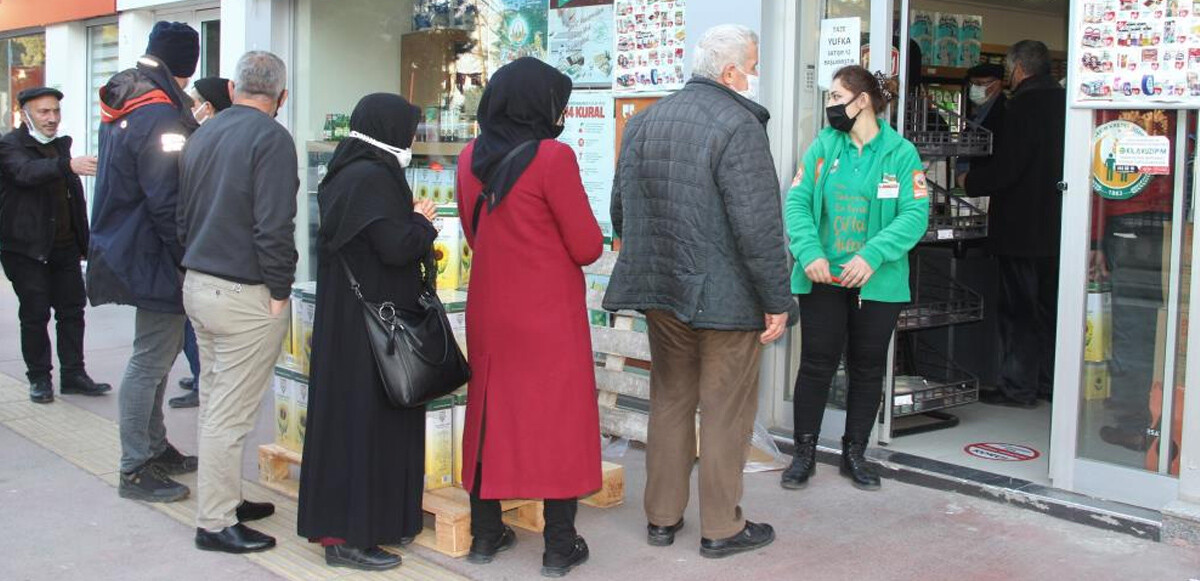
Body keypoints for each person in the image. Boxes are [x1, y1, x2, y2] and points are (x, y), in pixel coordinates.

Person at [602, 25, 796, 559]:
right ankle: (722, 527)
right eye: (753, 65)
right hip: (726, 299)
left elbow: (621, 209)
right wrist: (777, 300)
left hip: (662, 288)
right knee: (724, 412)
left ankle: (661, 519)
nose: (756, 74)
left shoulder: (645, 122)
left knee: (668, 401)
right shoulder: (738, 125)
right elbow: (757, 226)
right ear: (732, 72)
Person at [456, 57, 603, 578]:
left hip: (490, 306)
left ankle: (483, 534)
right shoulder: (553, 157)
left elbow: (476, 237)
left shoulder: (470, 156)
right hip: (548, 311)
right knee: (558, 418)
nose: (562, 113)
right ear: (541, 107)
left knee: (489, 412)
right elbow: (587, 246)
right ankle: (559, 547)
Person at [296, 93, 437, 572]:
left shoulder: (347, 171)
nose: (413, 142)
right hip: (372, 327)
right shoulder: (373, 178)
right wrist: (422, 223)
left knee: (356, 422)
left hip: (351, 322)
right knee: (363, 425)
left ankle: (372, 523)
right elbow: (394, 247)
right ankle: (349, 536)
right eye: (410, 132)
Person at [781, 65, 929, 492]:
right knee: (816, 365)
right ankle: (803, 453)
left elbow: (914, 214)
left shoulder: (900, 153)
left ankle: (855, 453)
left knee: (866, 370)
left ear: (861, 101)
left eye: (835, 97)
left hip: (877, 284)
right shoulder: (824, 147)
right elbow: (798, 203)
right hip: (823, 278)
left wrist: (873, 254)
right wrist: (809, 253)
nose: (830, 106)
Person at [177, 51, 297, 555]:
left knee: (216, 400)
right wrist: (281, 290)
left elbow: (181, 210)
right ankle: (215, 521)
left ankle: (223, 497)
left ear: (231, 87)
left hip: (199, 281)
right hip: (243, 291)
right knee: (231, 411)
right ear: (282, 97)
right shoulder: (272, 138)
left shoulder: (205, 131)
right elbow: (274, 226)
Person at [88, 21, 201, 503]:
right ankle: (136, 465)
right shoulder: (158, 114)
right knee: (150, 358)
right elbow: (165, 195)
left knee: (158, 352)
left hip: (129, 244)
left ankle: (155, 446)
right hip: (154, 251)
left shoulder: (127, 100)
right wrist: (186, 255)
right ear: (183, 67)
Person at [962, 40, 1066, 408]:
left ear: (1018, 69)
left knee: (1019, 310)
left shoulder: (1021, 107)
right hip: (1059, 229)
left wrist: (970, 182)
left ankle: (1017, 386)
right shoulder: (1067, 104)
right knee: (1049, 309)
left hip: (1021, 228)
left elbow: (1009, 168)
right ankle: (1049, 382)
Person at [0, 87, 110, 403]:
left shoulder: (61, 146)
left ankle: (74, 374)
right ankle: (39, 379)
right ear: (26, 115)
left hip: (63, 248)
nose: (51, 119)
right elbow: (25, 173)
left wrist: (83, 242)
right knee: (35, 315)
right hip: (26, 249)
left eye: (55, 112)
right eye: (43, 112)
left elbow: (73, 199)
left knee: (72, 312)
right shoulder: (11, 146)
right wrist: (68, 166)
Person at [172, 76, 232, 410]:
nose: (189, 108)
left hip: (204, 252)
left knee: (197, 326)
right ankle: (199, 375)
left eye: (194, 102)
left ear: (208, 107)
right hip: (201, 248)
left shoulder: (204, 140)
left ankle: (201, 378)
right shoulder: (207, 138)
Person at [956, 63, 1007, 179]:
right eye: (972, 84)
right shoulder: (978, 113)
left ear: (997, 84)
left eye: (979, 84)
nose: (974, 89)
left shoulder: (1004, 114)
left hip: (986, 182)